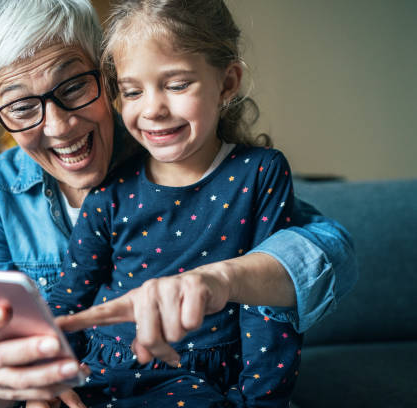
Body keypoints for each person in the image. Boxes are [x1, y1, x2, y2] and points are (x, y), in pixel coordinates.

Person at [0, 1, 357, 407]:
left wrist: (226, 279)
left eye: (73, 87)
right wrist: (16, 384)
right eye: (22, 107)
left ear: (104, 77)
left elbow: (324, 249)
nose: (59, 127)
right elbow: (9, 344)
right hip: (97, 378)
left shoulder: (188, 154)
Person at [42, 0, 301, 406]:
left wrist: (259, 401)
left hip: (201, 380)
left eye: (177, 85)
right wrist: (46, 382)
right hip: (104, 371)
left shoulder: (260, 173)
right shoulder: (111, 189)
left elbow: (268, 310)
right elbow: (69, 296)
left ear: (228, 82)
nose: (153, 109)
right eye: (132, 91)